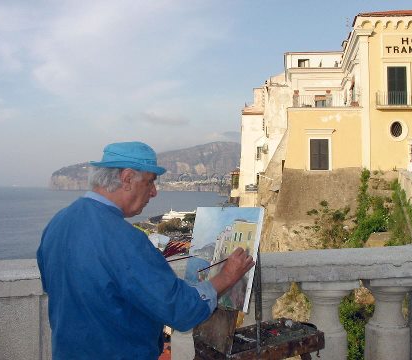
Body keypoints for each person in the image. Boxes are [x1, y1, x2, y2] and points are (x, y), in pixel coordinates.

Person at [37, 141, 254, 359]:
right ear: (127, 178)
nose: (154, 192)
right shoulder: (124, 239)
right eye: (150, 182)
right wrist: (226, 276)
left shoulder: (57, 224)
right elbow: (180, 310)